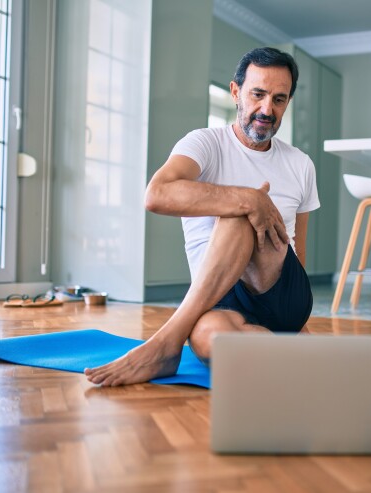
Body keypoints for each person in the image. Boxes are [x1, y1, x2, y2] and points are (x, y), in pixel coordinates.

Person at [85, 47, 320, 387]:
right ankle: (287, 351)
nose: (267, 109)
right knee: (208, 337)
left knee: (242, 216)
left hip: (279, 284)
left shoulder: (301, 164)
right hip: (218, 298)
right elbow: (157, 194)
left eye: (280, 99)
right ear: (236, 92)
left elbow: (299, 250)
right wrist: (247, 197)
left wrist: (296, 316)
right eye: (258, 94)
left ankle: (165, 343)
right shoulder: (204, 144)